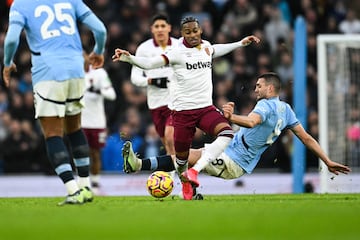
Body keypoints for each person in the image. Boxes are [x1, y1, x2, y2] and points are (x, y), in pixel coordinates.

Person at [121, 72, 351, 199]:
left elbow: (251, 122)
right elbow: (307, 138)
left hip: (235, 161)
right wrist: (327, 160)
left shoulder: (265, 106)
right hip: (233, 156)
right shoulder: (286, 109)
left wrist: (231, 117)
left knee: (183, 156)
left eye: (259, 86)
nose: (256, 89)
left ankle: (139, 164)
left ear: (270, 89)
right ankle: (191, 191)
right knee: (185, 156)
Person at [113, 16, 260, 200]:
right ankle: (186, 186)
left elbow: (216, 50)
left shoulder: (205, 46)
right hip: (183, 114)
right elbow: (150, 64)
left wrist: (240, 43)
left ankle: (195, 172)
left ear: (201, 31)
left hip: (205, 109)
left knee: (227, 133)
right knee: (181, 160)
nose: (192, 35)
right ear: (182, 34)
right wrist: (129, 58)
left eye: (195, 31)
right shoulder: (176, 52)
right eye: (188, 32)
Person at [2, 0, 107, 205]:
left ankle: (73, 190)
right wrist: (98, 51)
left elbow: (12, 40)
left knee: (52, 133)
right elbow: (100, 29)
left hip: (48, 70)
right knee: (75, 129)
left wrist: (7, 63)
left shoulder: (21, 5)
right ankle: (85, 186)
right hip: (76, 69)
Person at [130, 13, 177, 155]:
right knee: (167, 144)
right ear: (152, 29)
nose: (160, 29)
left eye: (163, 26)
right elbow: (135, 77)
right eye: (157, 26)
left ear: (169, 28)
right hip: (155, 103)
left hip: (176, 101)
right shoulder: (144, 49)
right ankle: (178, 172)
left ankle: (182, 174)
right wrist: (150, 81)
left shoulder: (179, 46)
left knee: (171, 138)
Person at [82, 52, 116, 194]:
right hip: (79, 121)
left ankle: (95, 185)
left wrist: (98, 90)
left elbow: (112, 95)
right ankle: (82, 183)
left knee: (95, 153)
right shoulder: (73, 75)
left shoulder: (100, 73)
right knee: (81, 153)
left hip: (97, 121)